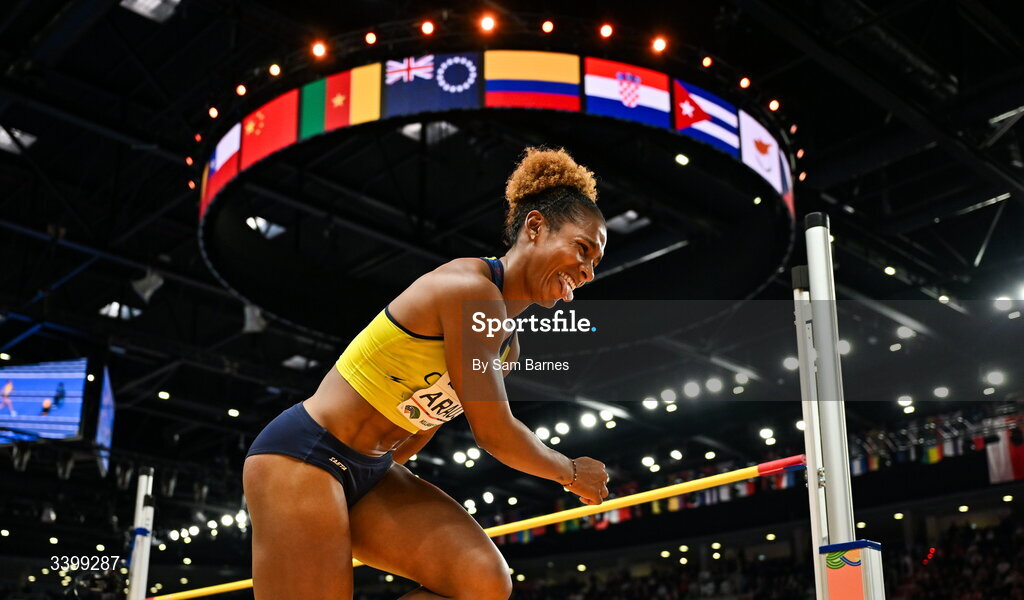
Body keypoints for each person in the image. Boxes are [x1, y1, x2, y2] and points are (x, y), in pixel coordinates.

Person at [243, 147, 610, 600]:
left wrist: (381, 472)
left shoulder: (509, 345)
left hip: (371, 470)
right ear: (535, 227)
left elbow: (425, 420)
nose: (588, 270)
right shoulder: (470, 292)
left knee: (483, 582)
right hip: (305, 456)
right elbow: (494, 433)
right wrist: (570, 472)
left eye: (596, 262)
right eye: (583, 248)